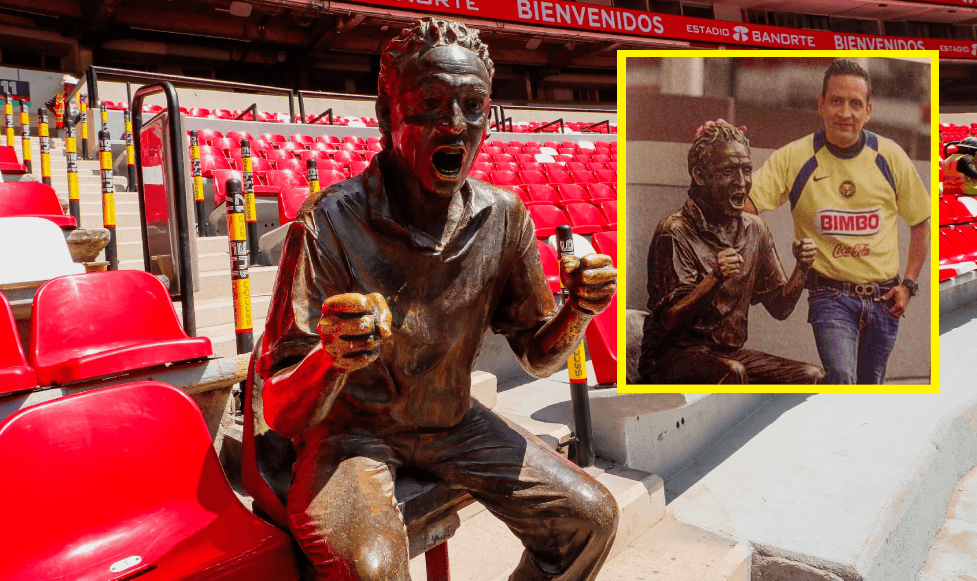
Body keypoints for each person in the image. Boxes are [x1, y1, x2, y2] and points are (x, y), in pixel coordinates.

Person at [253, 17, 619, 581]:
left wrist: (579, 310)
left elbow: (537, 356)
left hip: (453, 420)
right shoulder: (329, 220)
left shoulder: (504, 216)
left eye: (473, 107)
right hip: (353, 434)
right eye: (430, 103)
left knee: (589, 519)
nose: (455, 125)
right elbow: (279, 408)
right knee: (372, 571)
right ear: (387, 114)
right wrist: (331, 357)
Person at [745, 59, 931, 384]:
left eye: (855, 104)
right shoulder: (795, 157)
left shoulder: (889, 156)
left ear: (868, 111)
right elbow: (745, 208)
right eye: (836, 101)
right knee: (842, 379)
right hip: (830, 299)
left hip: (884, 301)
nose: (846, 113)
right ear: (821, 105)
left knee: (871, 389)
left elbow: (922, 222)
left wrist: (909, 286)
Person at [640, 120, 824, 385]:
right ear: (700, 176)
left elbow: (780, 307)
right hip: (671, 357)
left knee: (812, 376)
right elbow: (671, 321)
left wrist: (802, 268)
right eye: (728, 171)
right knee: (732, 372)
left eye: (746, 170)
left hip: (728, 355)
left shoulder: (755, 230)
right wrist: (715, 277)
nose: (741, 182)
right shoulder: (674, 232)